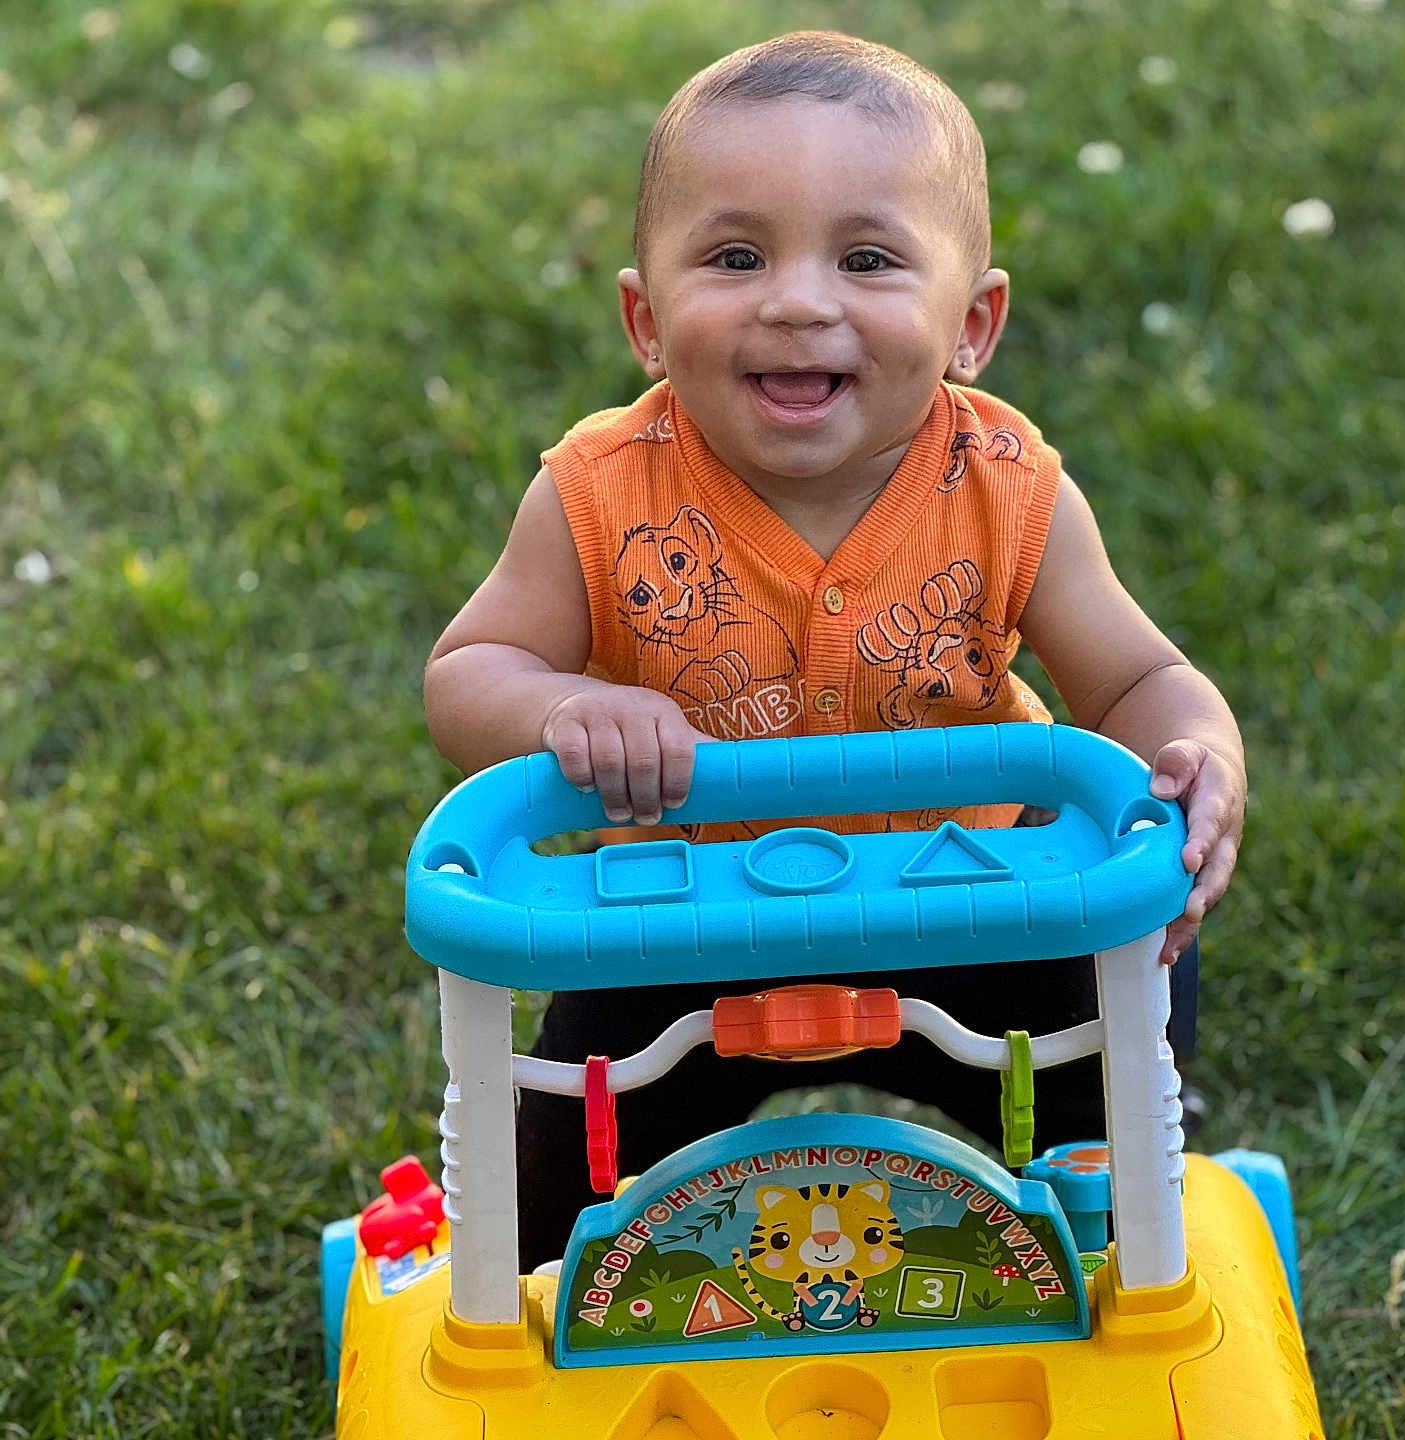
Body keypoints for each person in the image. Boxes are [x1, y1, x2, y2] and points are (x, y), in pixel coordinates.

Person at [423, 31, 1246, 1269]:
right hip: (679, 918)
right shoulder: (595, 491)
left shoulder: (1010, 489)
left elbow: (1134, 678)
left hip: (978, 899)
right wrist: (563, 710)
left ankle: (1130, 1277)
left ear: (971, 324)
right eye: (737, 255)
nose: (799, 300)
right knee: (560, 1151)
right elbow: (468, 668)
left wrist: (1194, 752)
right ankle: (533, 1320)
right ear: (645, 320)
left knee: (1112, 1084)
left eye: (866, 259)